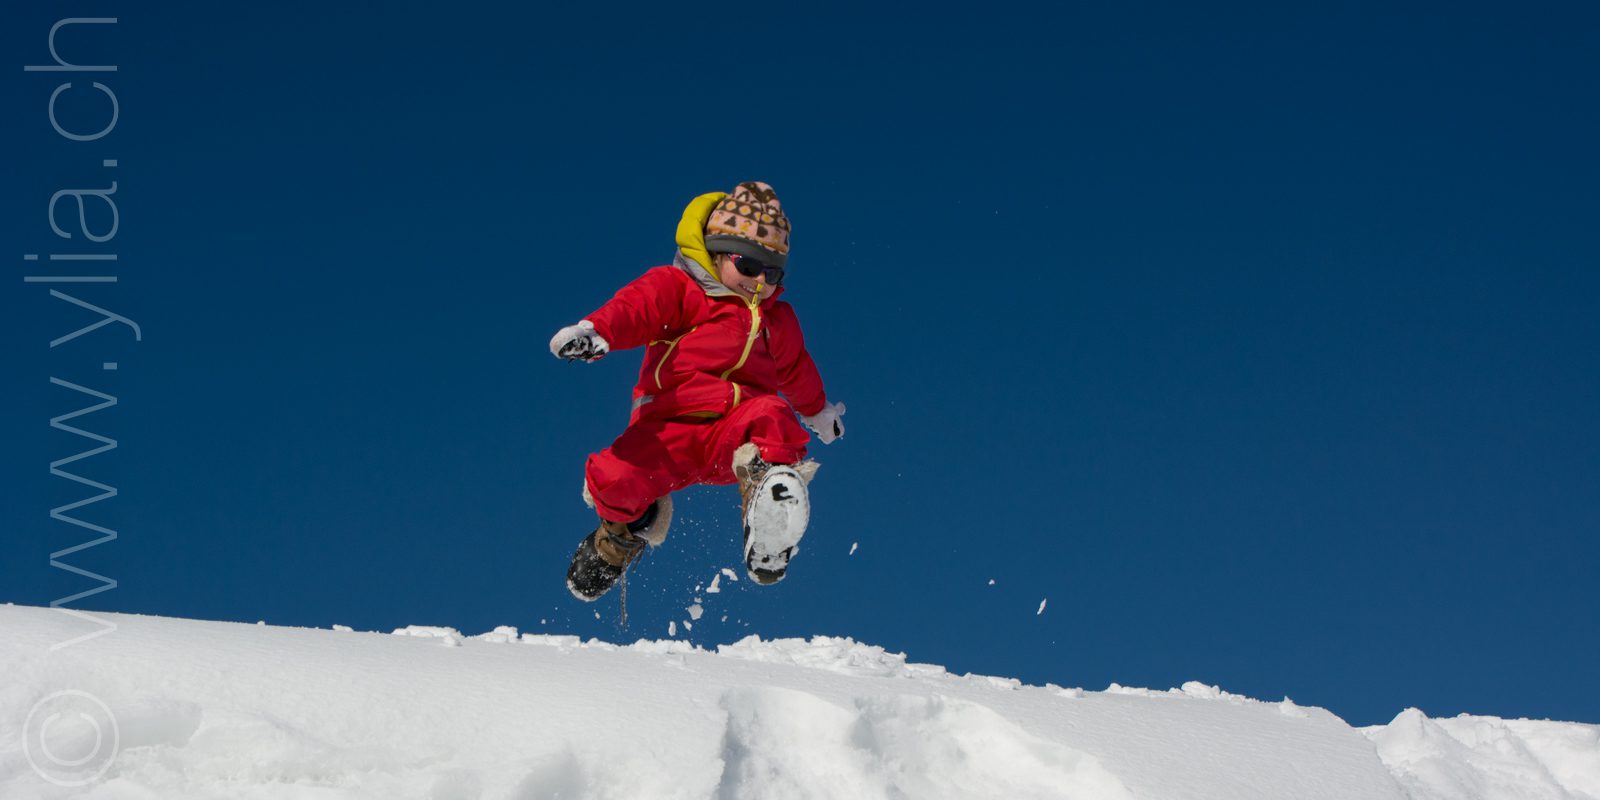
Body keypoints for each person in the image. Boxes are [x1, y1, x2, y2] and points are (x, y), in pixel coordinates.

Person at [549, 182, 846, 602]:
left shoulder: (776, 320)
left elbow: (796, 368)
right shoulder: (679, 289)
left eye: (772, 273)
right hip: (668, 432)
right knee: (612, 476)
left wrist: (817, 412)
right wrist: (596, 332)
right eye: (748, 266)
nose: (759, 281)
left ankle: (767, 518)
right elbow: (636, 308)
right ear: (717, 253)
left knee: (772, 413)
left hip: (733, 439)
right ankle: (616, 538)